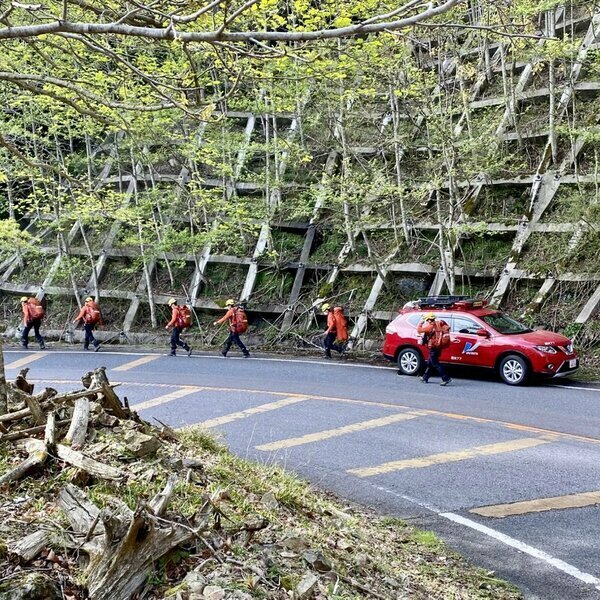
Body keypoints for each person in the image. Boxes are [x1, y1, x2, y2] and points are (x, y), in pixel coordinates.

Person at [416, 312, 452, 386]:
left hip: (433, 348)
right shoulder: (438, 324)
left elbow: (419, 330)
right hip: (438, 347)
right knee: (430, 363)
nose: (427, 322)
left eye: (427, 320)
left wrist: (421, 323)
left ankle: (446, 378)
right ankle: (425, 377)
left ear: (429, 320)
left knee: (435, 364)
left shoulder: (430, 327)